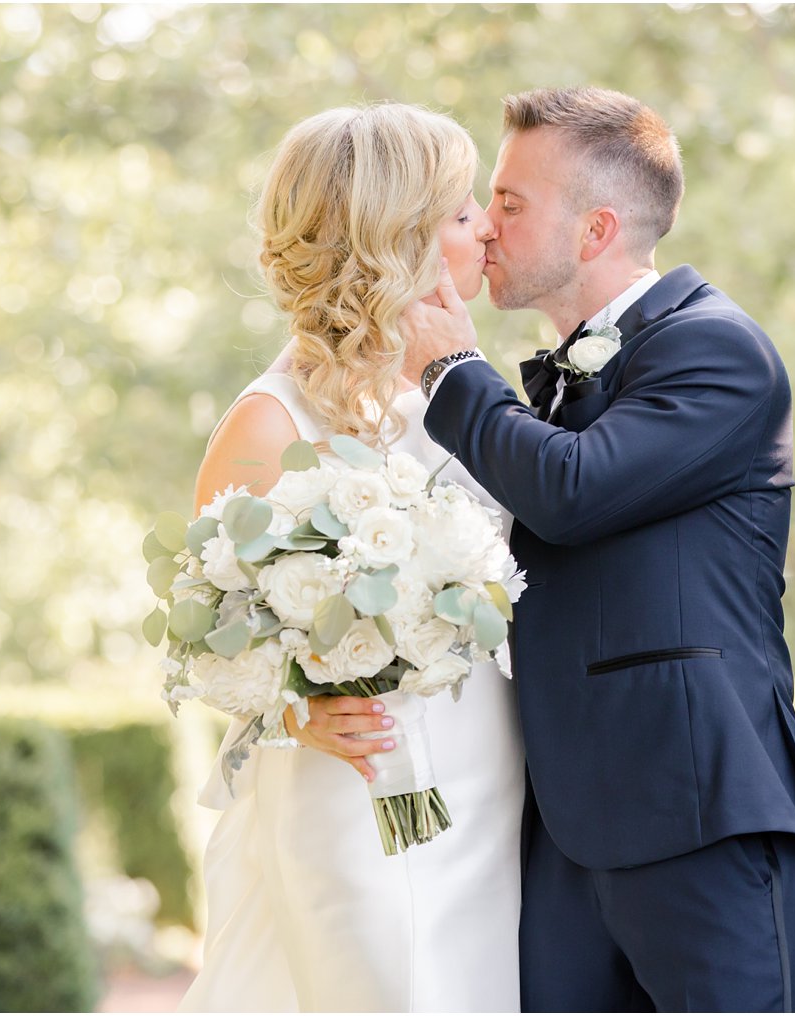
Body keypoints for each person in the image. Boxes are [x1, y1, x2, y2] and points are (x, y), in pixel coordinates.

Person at [400, 86, 795, 1012]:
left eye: (512, 204)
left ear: (596, 229)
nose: (484, 229)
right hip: (561, 838)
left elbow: (573, 492)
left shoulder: (719, 350)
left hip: (702, 824)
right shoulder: (553, 388)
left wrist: (451, 369)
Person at [177, 103, 524, 1013]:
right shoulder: (271, 419)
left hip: (488, 776)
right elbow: (208, 632)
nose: (486, 224)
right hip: (354, 788)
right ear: (394, 238)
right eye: (458, 213)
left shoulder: (471, 392)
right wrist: (296, 714)